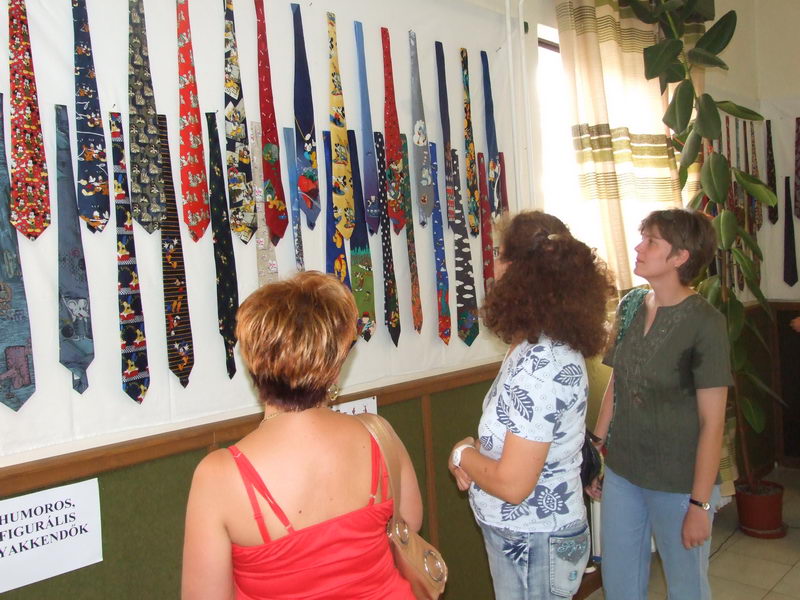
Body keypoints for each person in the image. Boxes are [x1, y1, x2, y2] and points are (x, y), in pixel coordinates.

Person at [182, 271, 422, 600]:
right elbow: (410, 523)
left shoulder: (219, 475)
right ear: (335, 366)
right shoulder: (379, 434)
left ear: (253, 362)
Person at [448, 211, 613, 599]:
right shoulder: (532, 345)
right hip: (530, 539)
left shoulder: (543, 363)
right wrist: (476, 450)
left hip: (535, 542)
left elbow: (513, 484)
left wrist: (462, 454)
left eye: (498, 254)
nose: (493, 266)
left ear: (518, 269)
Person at [588, 209, 732, 600]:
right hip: (624, 473)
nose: (638, 247)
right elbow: (617, 383)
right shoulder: (632, 304)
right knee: (619, 583)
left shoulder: (706, 323)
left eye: (651, 241)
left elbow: (712, 422)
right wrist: (596, 448)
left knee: (686, 587)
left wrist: (699, 504)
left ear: (680, 257)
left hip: (680, 482)